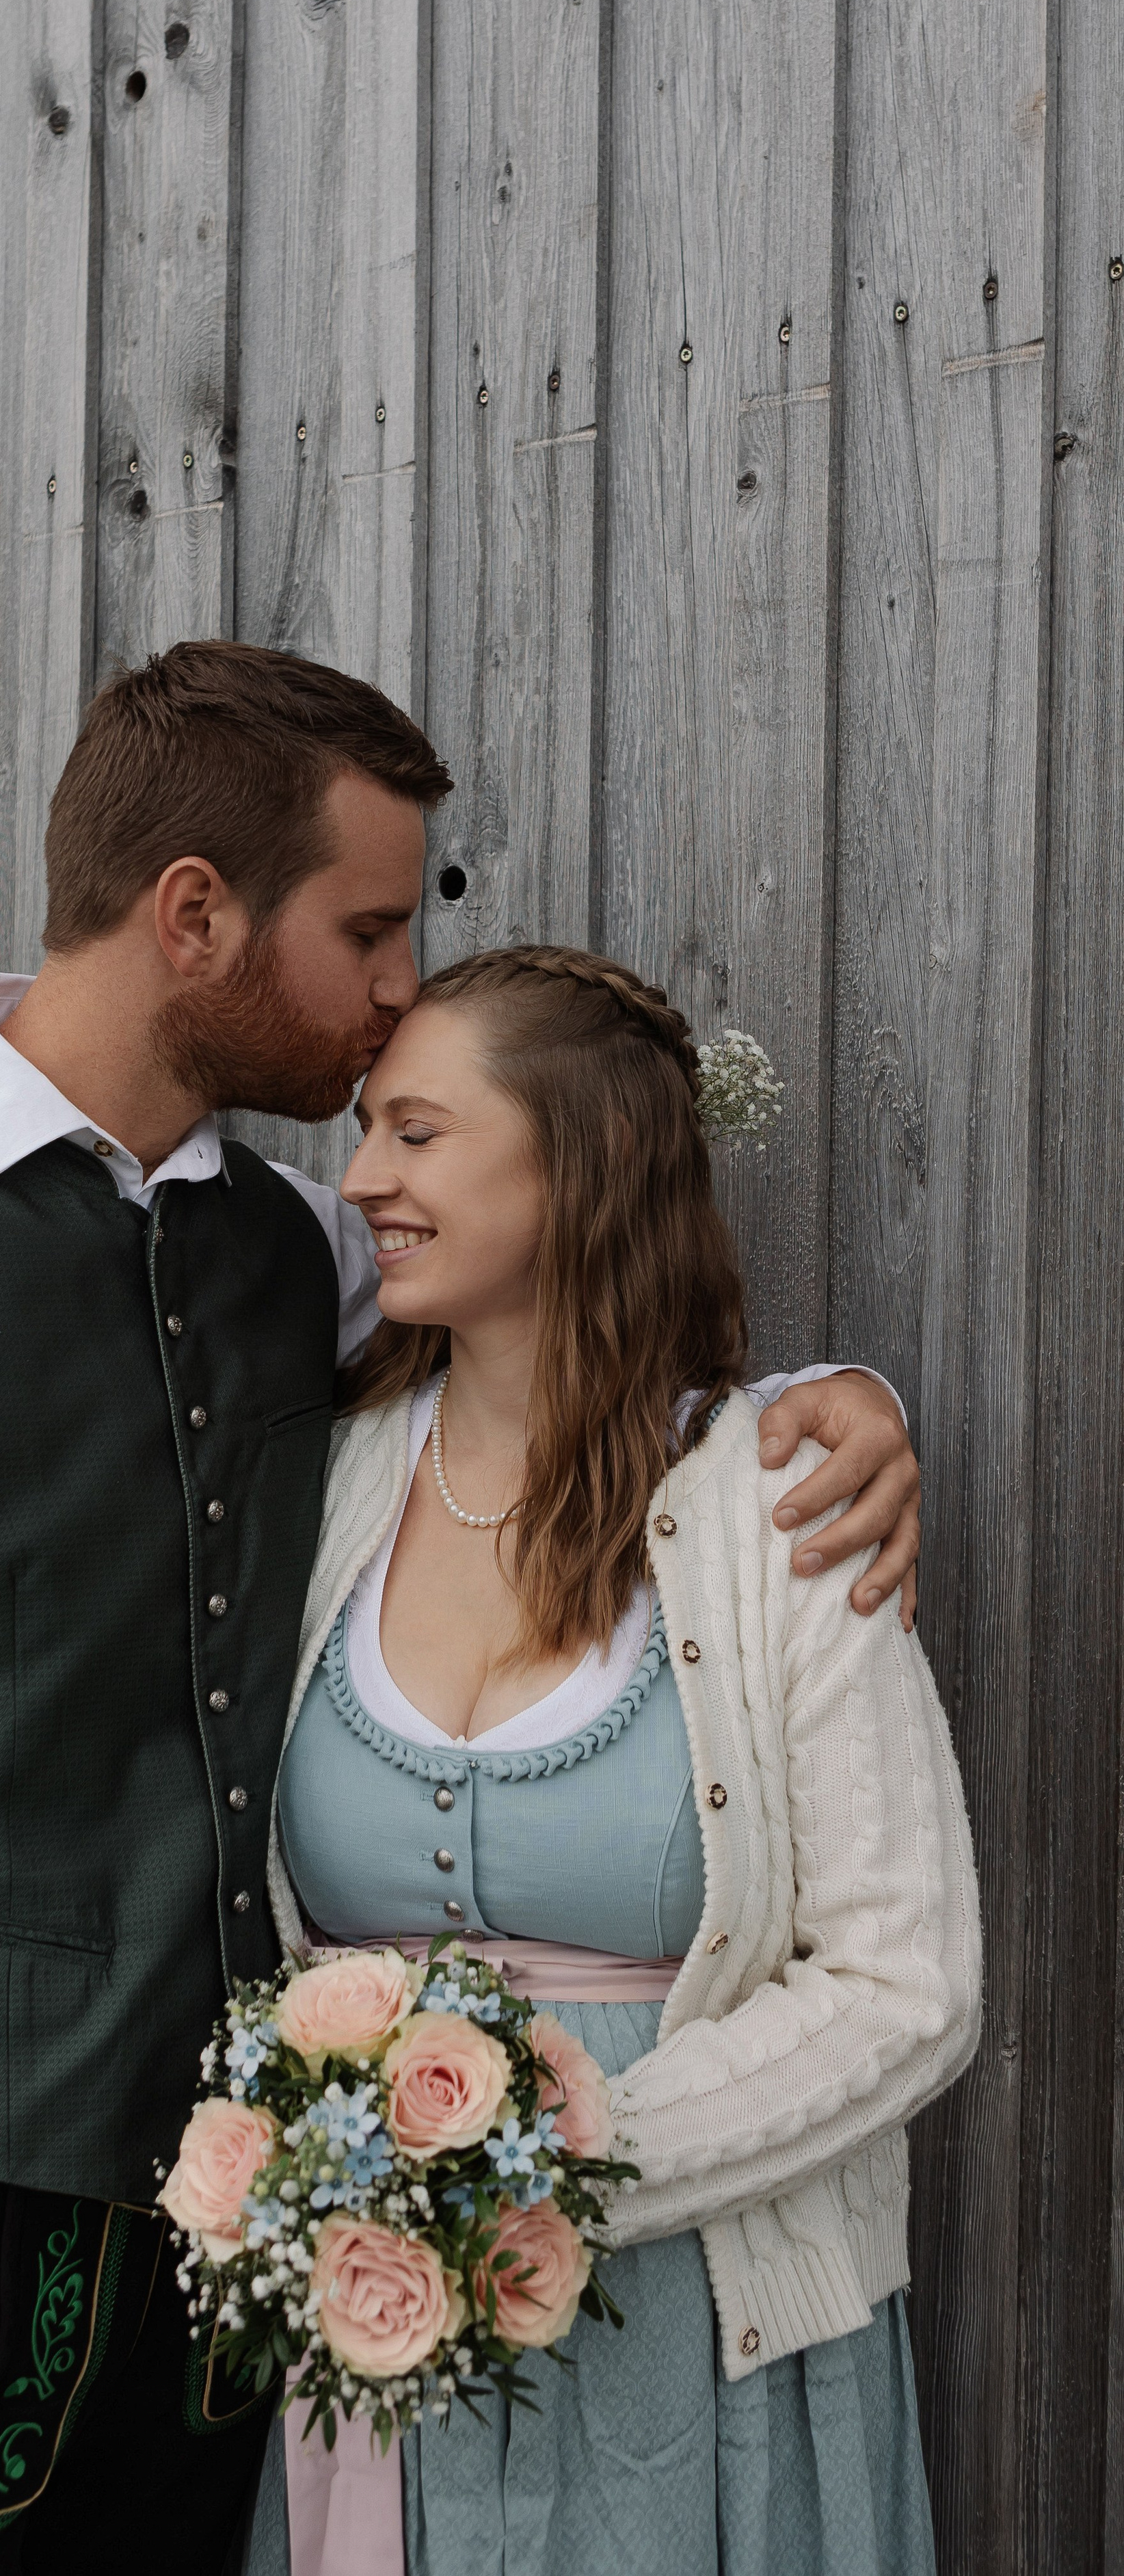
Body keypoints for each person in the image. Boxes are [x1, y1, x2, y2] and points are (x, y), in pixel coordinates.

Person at [0, 646, 922, 2576]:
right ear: (194, 915)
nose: (402, 987)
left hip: (236, 2272)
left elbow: (559, 1345)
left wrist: (824, 1412)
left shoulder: (301, 1255)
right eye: (365, 930)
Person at [250, 946, 979, 2576]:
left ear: (582, 1160)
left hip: (704, 2342)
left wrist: (557, 2166)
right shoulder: (322, 1483)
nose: (359, 1181)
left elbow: (905, 1978)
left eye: (415, 1134)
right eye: (365, 1132)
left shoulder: (776, 1507)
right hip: (380, 2351)